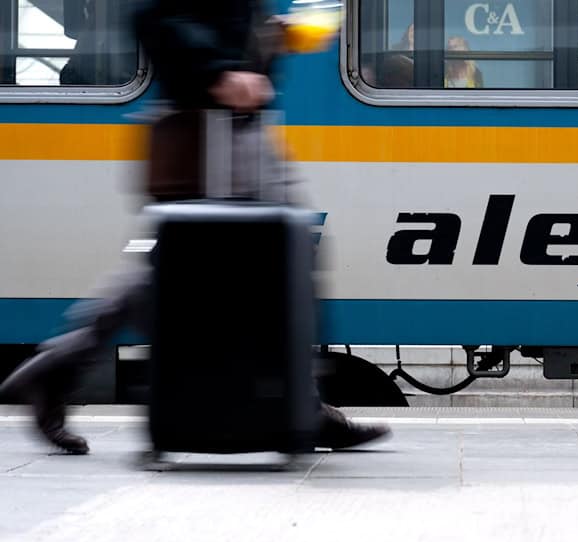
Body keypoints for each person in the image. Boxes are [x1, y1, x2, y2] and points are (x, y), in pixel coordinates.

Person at [0, 0, 390, 455]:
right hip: (212, 130)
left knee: (175, 269)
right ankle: (302, 408)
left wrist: (265, 32)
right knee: (278, 258)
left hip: (229, 127)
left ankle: (55, 370)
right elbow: (154, 11)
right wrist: (217, 72)